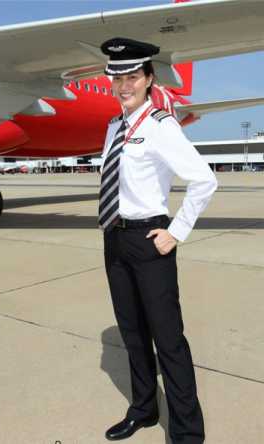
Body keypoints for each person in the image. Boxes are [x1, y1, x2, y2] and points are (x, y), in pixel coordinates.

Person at [98, 38, 217, 443]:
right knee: (133, 334)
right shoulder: (113, 127)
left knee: (168, 340)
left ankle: (187, 433)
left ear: (149, 79)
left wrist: (176, 231)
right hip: (114, 239)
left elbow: (204, 180)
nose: (124, 85)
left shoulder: (161, 126)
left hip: (149, 240)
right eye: (118, 78)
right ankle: (144, 409)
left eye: (132, 76)